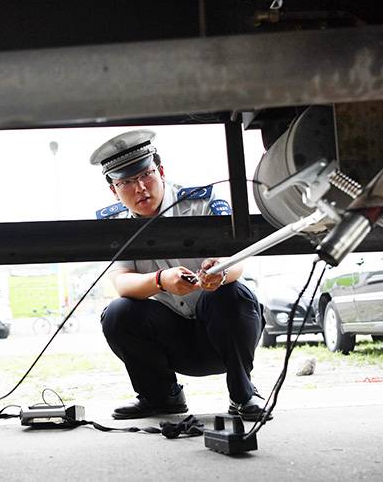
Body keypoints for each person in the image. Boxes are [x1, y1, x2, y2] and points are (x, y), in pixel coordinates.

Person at [91, 130, 269, 421]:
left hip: (223, 330)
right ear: (113, 189)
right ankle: (161, 397)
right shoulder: (114, 224)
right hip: (171, 339)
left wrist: (220, 273)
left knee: (231, 293)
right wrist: (160, 281)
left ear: (160, 171)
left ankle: (243, 394)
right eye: (126, 183)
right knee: (118, 312)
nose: (140, 189)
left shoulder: (201, 203)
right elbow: (122, 281)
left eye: (146, 176)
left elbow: (238, 261)